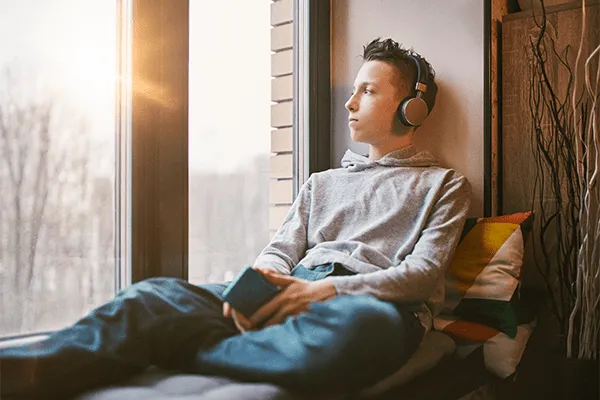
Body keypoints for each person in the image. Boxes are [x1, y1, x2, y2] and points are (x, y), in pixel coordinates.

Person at [0, 38, 471, 399]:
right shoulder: (321, 183)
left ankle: (184, 345)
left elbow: (421, 276)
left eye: (366, 92)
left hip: (360, 303)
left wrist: (323, 291)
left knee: (364, 329)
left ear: (413, 108)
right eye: (353, 91)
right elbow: (282, 250)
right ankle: (28, 368)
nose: (349, 103)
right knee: (152, 295)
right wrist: (262, 282)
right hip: (290, 292)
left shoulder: (444, 185)